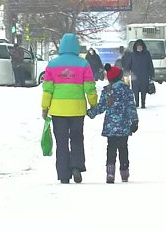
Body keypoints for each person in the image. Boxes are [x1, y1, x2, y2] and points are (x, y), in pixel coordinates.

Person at [41, 33, 98, 184]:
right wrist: (93, 103)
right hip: (77, 110)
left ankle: (63, 174)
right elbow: (90, 87)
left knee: (62, 141)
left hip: (58, 110)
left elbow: (47, 89)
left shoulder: (53, 65)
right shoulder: (83, 64)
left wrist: (44, 107)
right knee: (77, 139)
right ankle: (77, 167)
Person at [87, 63, 139, 184]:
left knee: (111, 149)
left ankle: (110, 174)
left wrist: (90, 113)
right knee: (123, 148)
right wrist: (135, 121)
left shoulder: (107, 91)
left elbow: (101, 107)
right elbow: (131, 107)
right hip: (124, 126)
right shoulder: (127, 90)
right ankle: (124, 172)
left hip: (110, 127)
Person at [125, 39, 154, 108]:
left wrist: (152, 74)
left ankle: (143, 103)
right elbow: (128, 64)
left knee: (144, 90)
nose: (139, 47)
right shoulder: (132, 54)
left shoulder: (147, 54)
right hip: (135, 76)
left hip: (145, 75)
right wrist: (126, 71)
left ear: (143, 46)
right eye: (138, 46)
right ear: (135, 47)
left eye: (140, 46)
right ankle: (137, 103)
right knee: (135, 90)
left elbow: (150, 64)